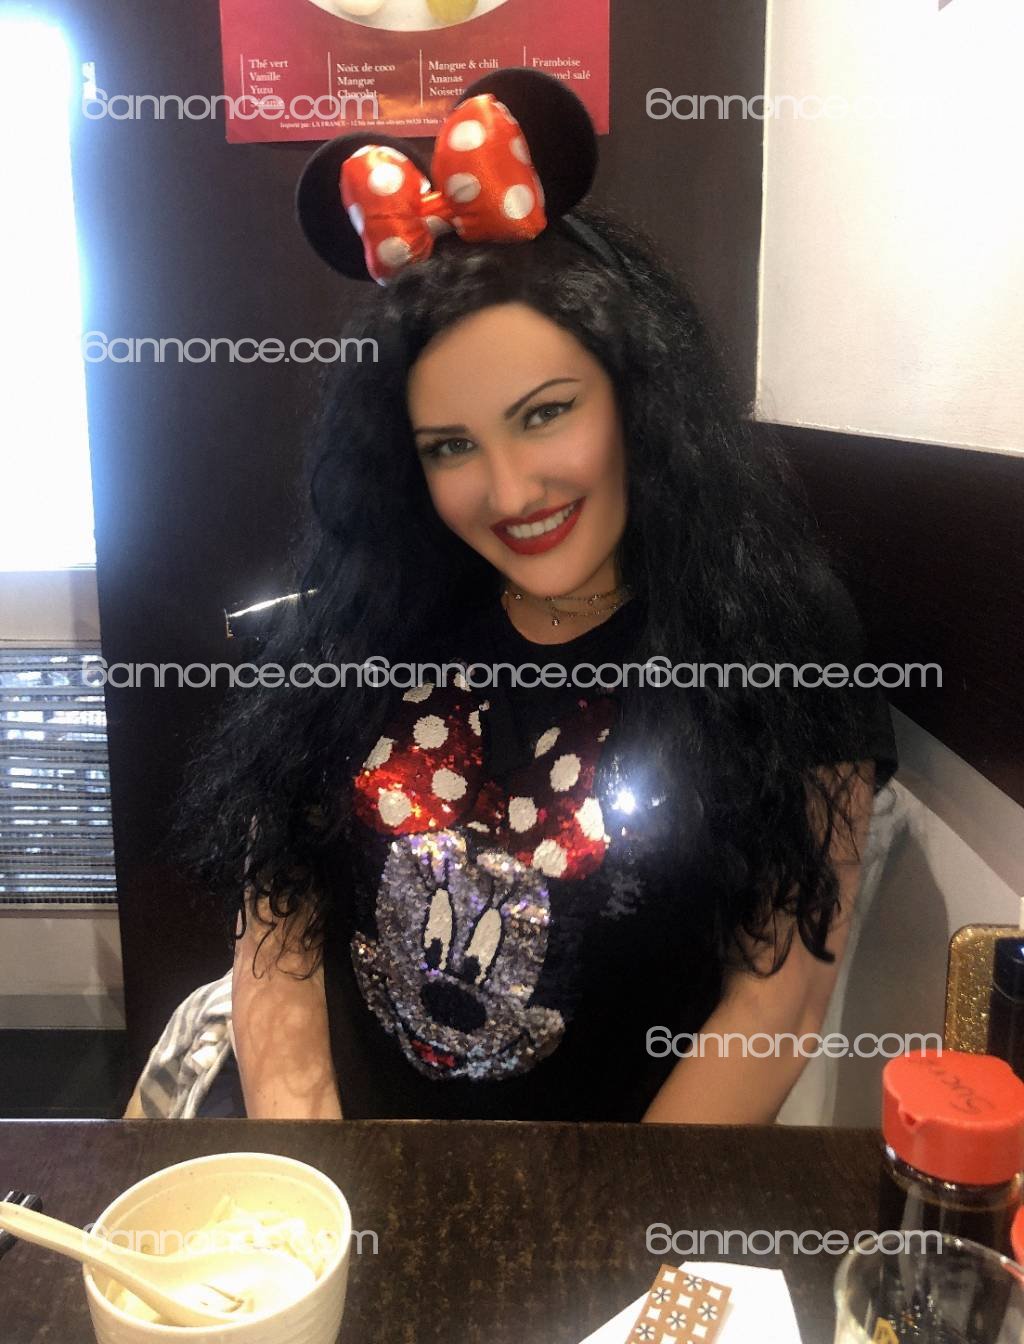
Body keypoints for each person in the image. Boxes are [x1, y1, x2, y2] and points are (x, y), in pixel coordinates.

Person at [174, 70, 897, 1123]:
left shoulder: (779, 638)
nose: (510, 492)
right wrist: (318, 1178)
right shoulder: (358, 618)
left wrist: (612, 1218)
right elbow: (277, 927)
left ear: (636, 400)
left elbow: (776, 1002)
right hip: (353, 1175)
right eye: (450, 446)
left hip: (620, 1191)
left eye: (546, 414)